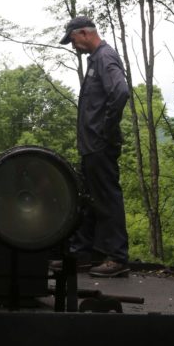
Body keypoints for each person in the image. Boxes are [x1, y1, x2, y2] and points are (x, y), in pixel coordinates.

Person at [60, 15, 131, 277]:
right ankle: (84, 255)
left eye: (72, 40)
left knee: (107, 199)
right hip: (91, 146)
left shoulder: (105, 56)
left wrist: (106, 129)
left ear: (84, 33)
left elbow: (121, 91)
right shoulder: (95, 60)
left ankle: (117, 258)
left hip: (100, 145)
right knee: (88, 199)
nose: (72, 46)